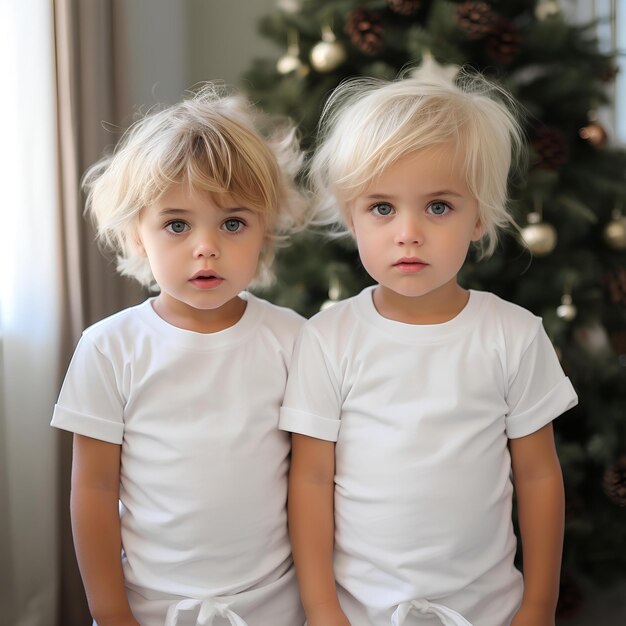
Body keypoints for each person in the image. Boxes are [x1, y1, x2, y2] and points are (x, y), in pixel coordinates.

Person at [280, 64, 578, 626]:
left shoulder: (513, 335)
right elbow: (311, 479)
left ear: (478, 218)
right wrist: (321, 608)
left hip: (488, 610)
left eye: (438, 207)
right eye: (382, 208)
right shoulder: (326, 339)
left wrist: (538, 604)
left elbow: (538, 475)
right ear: (351, 217)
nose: (408, 232)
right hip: (360, 612)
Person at [51, 83, 308, 626]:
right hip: (151, 611)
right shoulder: (110, 347)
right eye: (177, 224)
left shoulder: (293, 340)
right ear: (138, 235)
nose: (206, 246)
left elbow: (312, 485)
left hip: (277, 609)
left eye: (233, 222)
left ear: (264, 231)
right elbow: (94, 491)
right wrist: (112, 613)